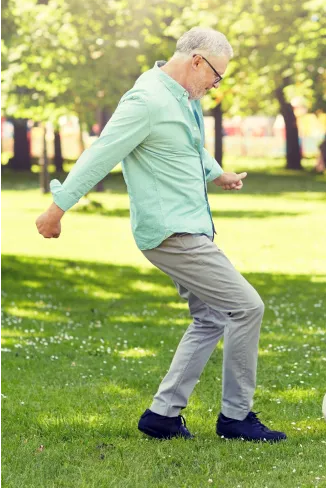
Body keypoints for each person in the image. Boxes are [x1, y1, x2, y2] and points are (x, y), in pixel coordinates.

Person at [35, 27, 286, 443]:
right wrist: (56, 208)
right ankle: (235, 418)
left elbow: (188, 147)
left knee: (209, 317)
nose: (215, 85)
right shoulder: (146, 100)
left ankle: (162, 416)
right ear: (196, 61)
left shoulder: (181, 100)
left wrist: (216, 172)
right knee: (246, 307)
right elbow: (101, 154)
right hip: (173, 232)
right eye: (216, 76)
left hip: (189, 227)